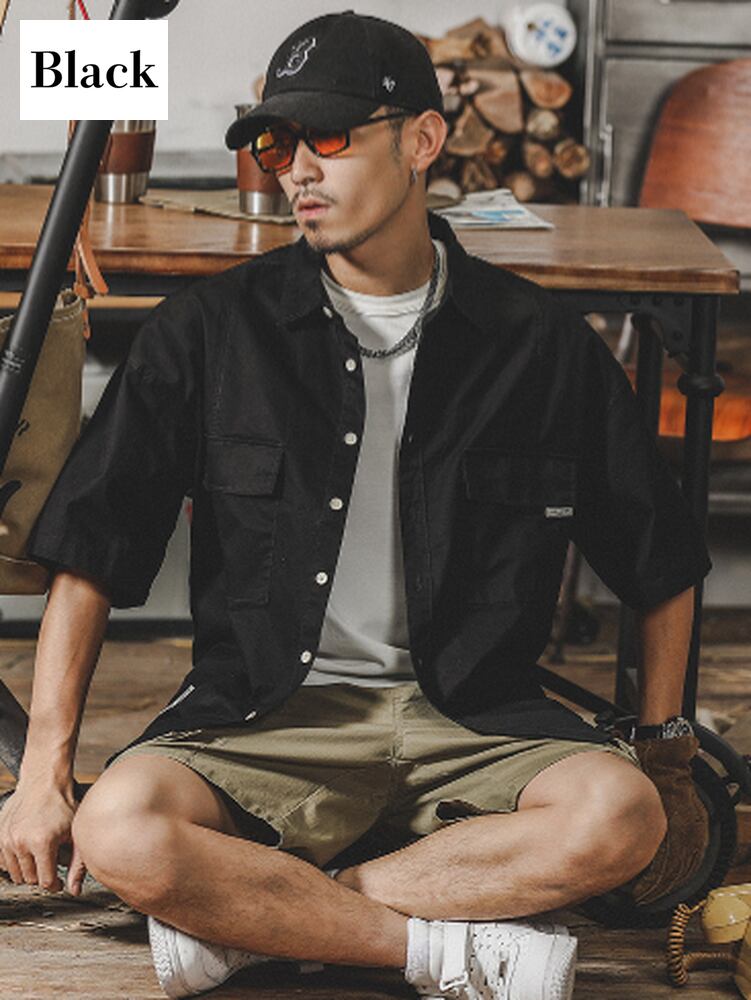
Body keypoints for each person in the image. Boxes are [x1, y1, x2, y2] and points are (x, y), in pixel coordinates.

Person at [0, 11, 711, 1000]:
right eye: (277, 145)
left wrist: (665, 754)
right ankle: (435, 952)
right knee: (120, 830)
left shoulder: (541, 344)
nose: (296, 169)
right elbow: (92, 553)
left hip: (477, 717)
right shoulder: (208, 330)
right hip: (266, 716)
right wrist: (42, 772)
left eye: (329, 137)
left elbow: (658, 559)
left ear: (422, 140)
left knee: (622, 817)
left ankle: (269, 922)